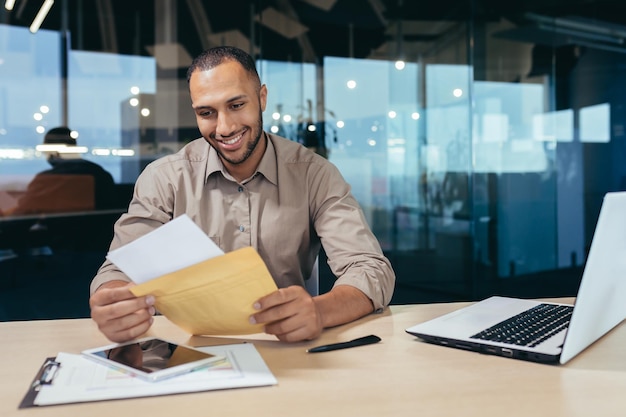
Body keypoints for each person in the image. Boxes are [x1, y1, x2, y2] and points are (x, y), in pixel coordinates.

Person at [89, 46, 395, 343]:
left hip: (288, 347)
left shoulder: (314, 174)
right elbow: (118, 269)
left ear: (261, 98)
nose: (224, 127)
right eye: (207, 112)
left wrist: (319, 310)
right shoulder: (165, 178)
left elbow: (370, 268)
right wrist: (114, 302)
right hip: (189, 349)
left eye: (236, 105)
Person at [6, 127, 116, 216]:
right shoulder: (101, 174)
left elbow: (22, 213)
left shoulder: (49, 179)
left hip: (58, 239)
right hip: (101, 239)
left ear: (53, 150)